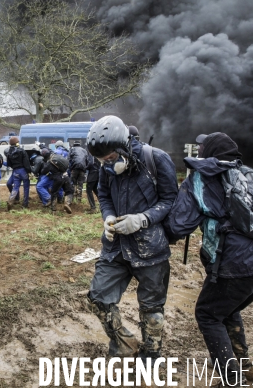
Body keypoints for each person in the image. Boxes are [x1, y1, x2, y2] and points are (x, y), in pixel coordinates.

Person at [165, 132, 253, 386]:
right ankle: (243, 365)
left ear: (205, 154)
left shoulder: (199, 179)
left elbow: (178, 227)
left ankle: (231, 379)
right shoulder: (250, 173)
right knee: (227, 308)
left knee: (208, 314)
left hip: (238, 264)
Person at [86, 115, 178, 363]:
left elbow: (171, 200)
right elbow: (103, 195)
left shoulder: (155, 159)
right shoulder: (106, 166)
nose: (106, 164)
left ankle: (151, 354)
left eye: (110, 158)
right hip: (115, 247)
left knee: (152, 310)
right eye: (101, 160)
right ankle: (124, 344)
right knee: (98, 298)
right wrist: (107, 217)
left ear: (123, 146)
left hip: (150, 248)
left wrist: (143, 219)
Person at [6, 137, 32, 211]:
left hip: (15, 171)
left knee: (15, 187)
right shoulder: (22, 151)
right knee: (26, 188)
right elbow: (26, 163)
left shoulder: (9, 152)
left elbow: (9, 163)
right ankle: (25, 204)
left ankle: (11, 200)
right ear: (16, 143)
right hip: (23, 170)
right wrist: (29, 172)